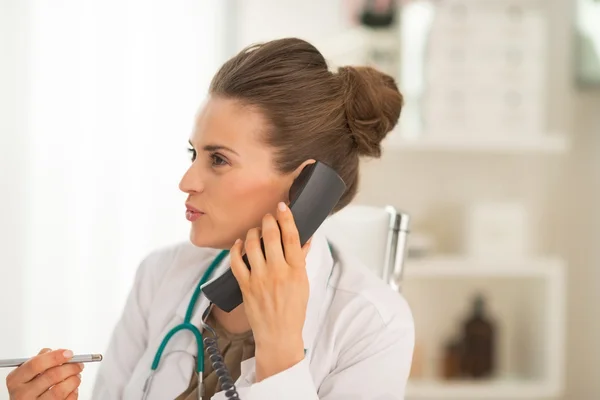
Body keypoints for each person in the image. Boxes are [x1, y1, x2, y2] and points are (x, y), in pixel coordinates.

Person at [5, 37, 414, 400]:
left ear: (307, 185)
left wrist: (280, 348)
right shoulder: (160, 276)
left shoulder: (374, 325)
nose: (187, 181)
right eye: (193, 154)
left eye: (218, 159)